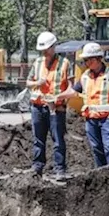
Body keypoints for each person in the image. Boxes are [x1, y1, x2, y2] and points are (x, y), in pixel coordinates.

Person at [64, 41, 109, 168]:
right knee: (96, 148)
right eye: (85, 60)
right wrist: (58, 96)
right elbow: (74, 92)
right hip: (91, 119)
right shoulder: (86, 75)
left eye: (88, 60)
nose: (86, 63)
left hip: (107, 118)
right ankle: (101, 172)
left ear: (97, 58)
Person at [26, 31, 71, 178]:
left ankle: (60, 168)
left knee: (58, 139)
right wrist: (36, 83)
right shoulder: (38, 63)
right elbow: (28, 83)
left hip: (56, 109)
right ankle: (37, 166)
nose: (44, 53)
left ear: (53, 47)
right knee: (38, 139)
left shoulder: (64, 64)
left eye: (47, 50)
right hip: (38, 107)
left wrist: (59, 100)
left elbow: (71, 88)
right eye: (42, 50)